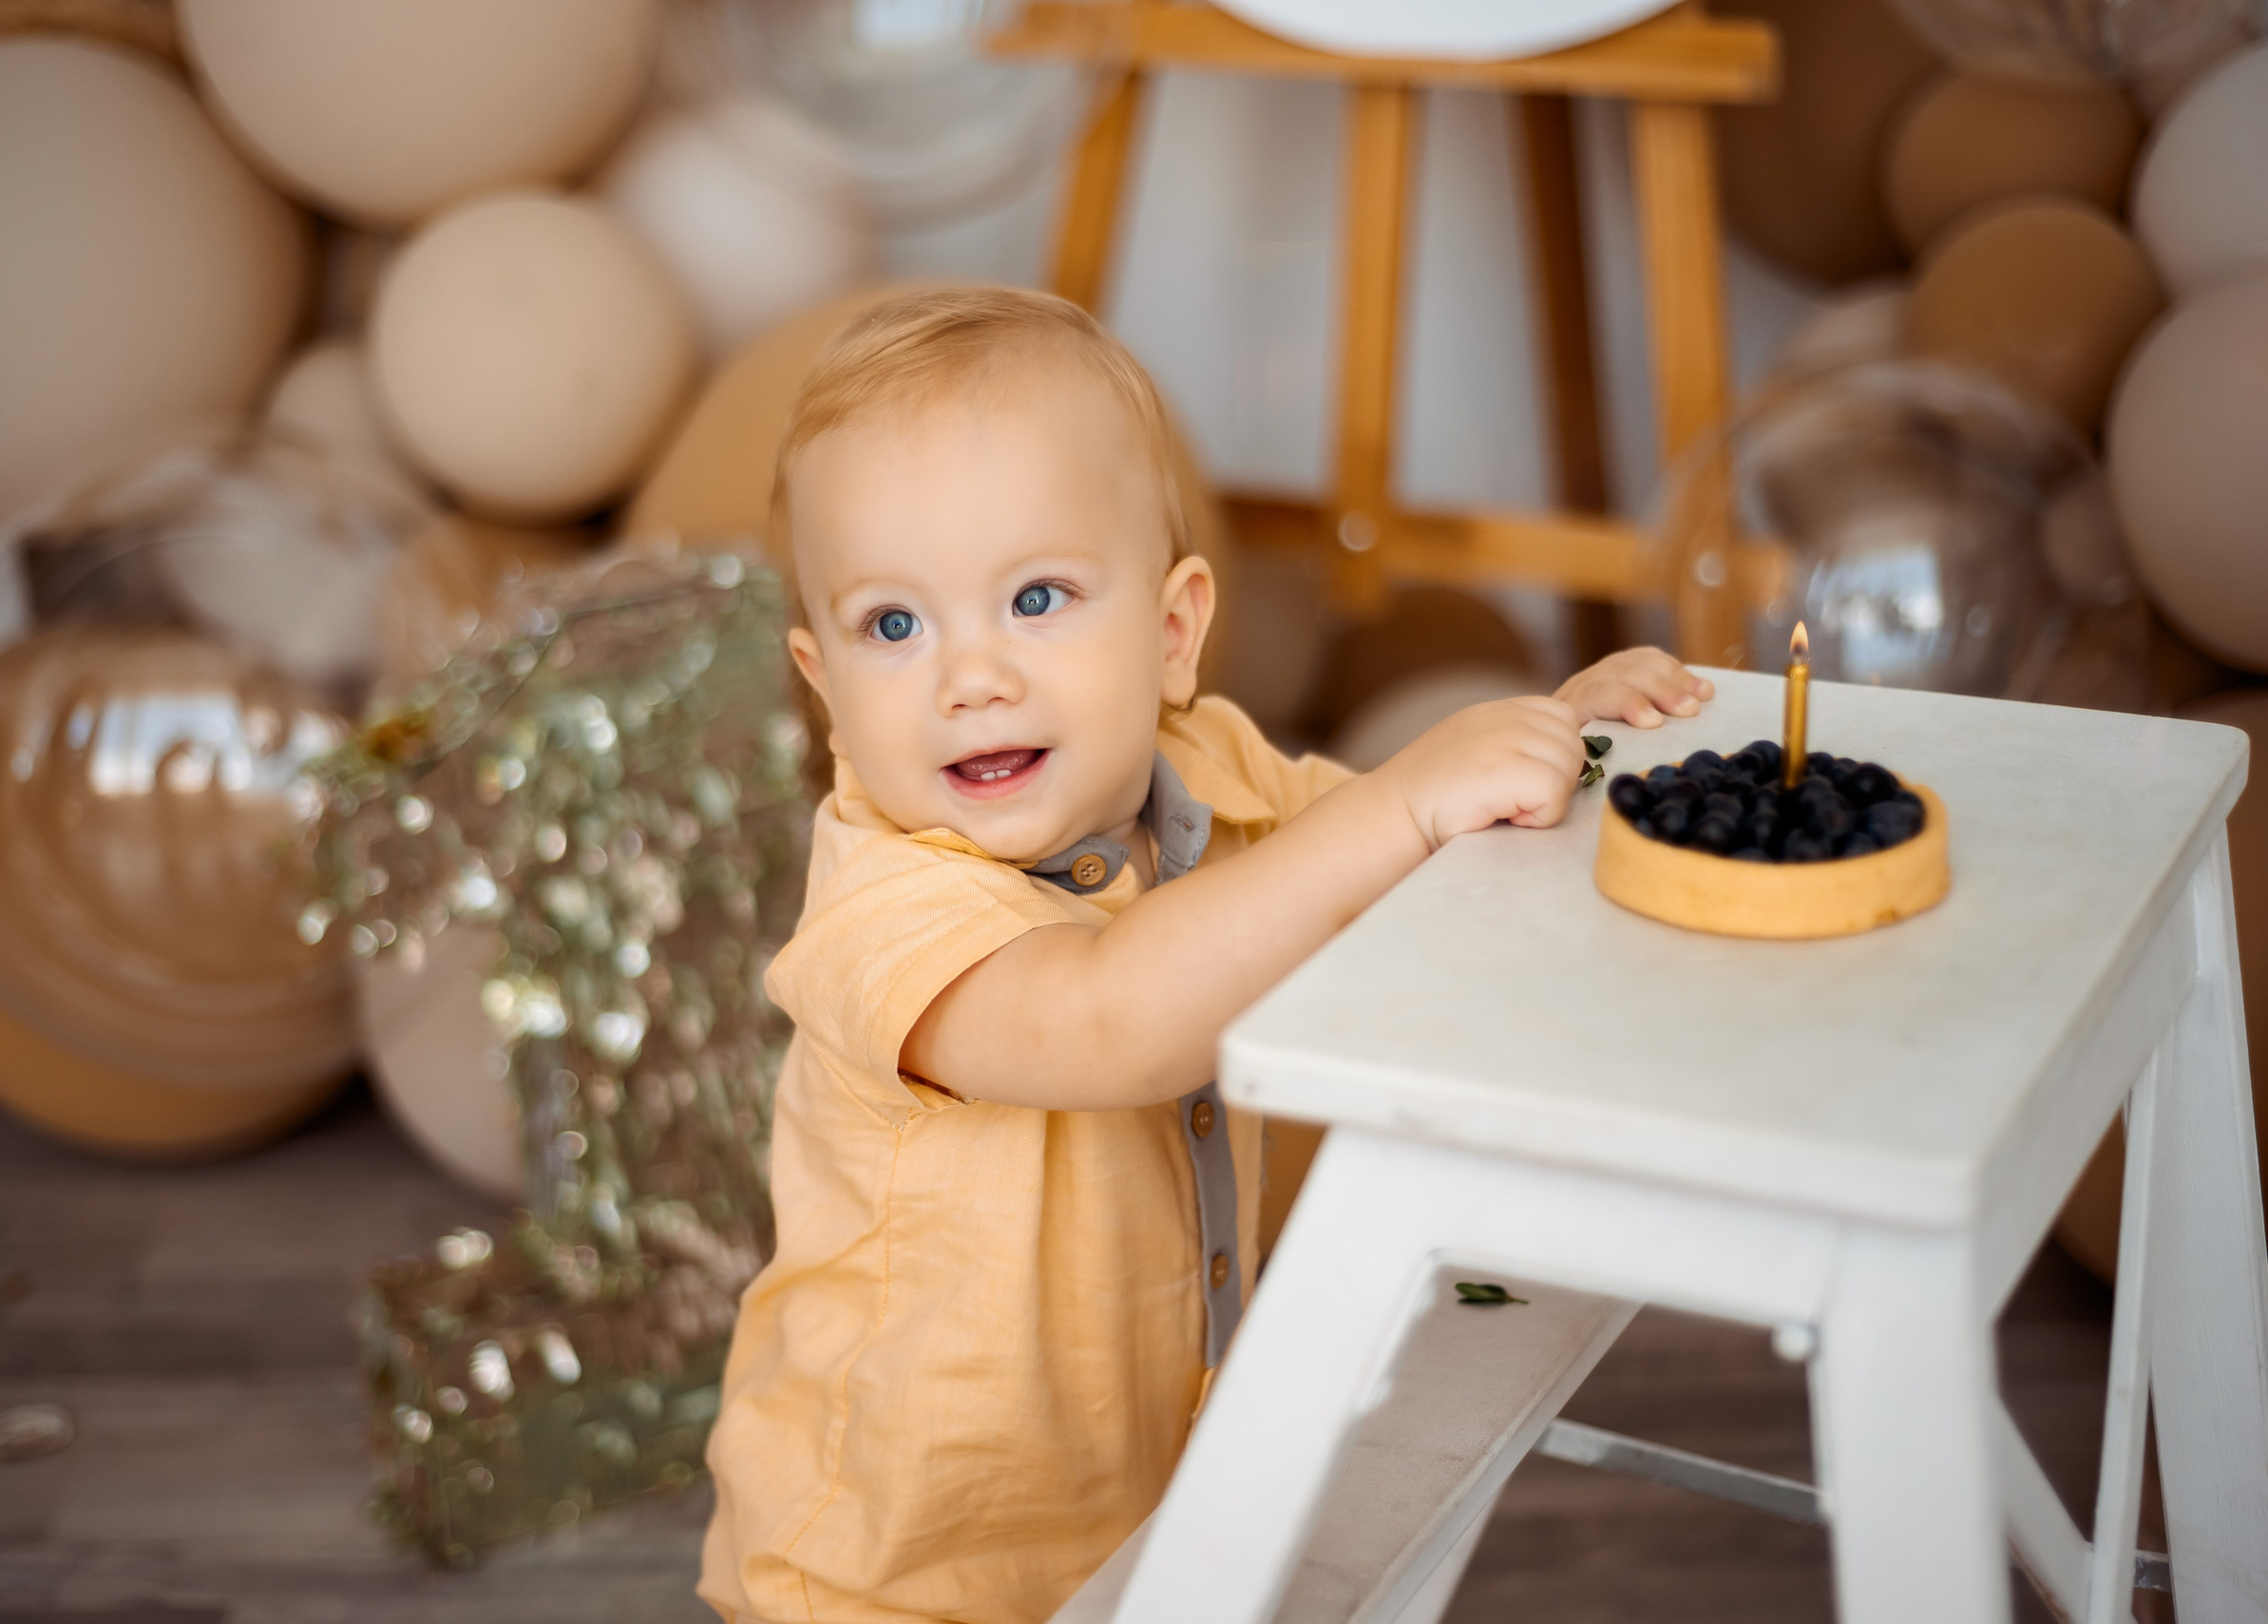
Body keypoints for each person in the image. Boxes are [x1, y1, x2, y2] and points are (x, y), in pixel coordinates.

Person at [698, 287, 1710, 1624]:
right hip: (892, 1574)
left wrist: (1540, 735)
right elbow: (1110, 1019)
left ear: (1173, 634)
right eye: (894, 626)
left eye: (1037, 597)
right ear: (822, 678)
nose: (969, 676)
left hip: (1141, 1518)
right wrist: (1404, 794)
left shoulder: (1213, 769)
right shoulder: (882, 907)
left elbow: (1392, 875)